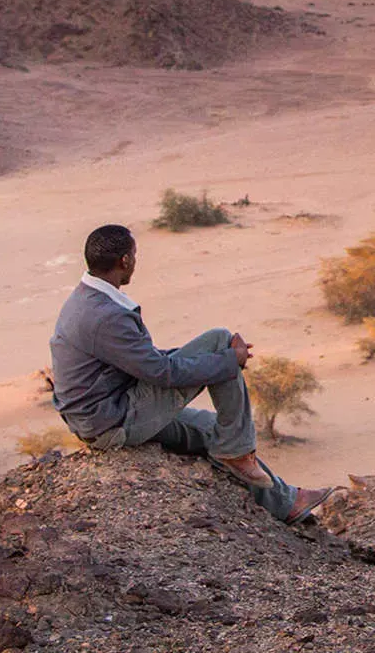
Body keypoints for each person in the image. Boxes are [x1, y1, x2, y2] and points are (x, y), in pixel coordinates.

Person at [49, 223, 335, 523]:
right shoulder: (106, 316)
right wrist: (228, 360)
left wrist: (218, 359)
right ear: (125, 260)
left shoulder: (87, 299)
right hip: (112, 422)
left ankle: (286, 502)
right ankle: (237, 451)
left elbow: (143, 361)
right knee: (220, 342)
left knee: (212, 427)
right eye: (134, 255)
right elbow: (162, 373)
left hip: (105, 413)